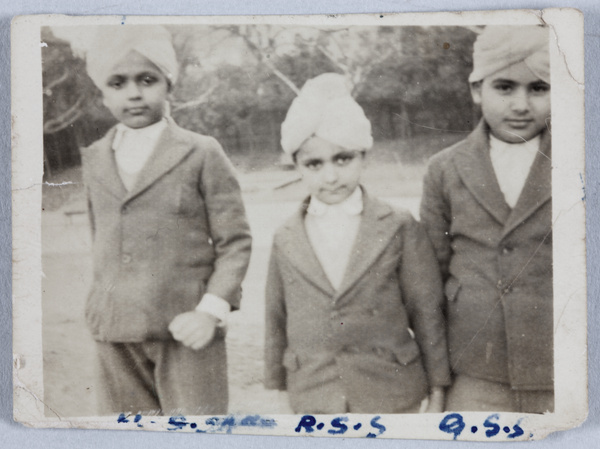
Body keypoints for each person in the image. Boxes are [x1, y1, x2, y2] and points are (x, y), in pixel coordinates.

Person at [80, 25, 252, 415]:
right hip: (115, 332)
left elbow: (235, 242)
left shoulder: (201, 152)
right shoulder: (95, 158)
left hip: (186, 330)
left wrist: (210, 311)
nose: (135, 92)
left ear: (168, 84)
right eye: (118, 82)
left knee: (196, 431)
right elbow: (102, 240)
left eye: (147, 79)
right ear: (103, 94)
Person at [264, 73, 450, 414]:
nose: (331, 176)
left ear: (364, 156)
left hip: (392, 392)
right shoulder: (285, 236)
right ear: (297, 167)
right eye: (314, 164)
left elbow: (427, 312)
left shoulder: (398, 224)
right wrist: (278, 390)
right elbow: (276, 320)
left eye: (343, 159)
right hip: (314, 395)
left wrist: (437, 389)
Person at [419, 25, 553, 413]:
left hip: (560, 369)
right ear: (477, 90)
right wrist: (439, 381)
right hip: (476, 371)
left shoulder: (580, 161)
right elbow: (430, 283)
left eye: (539, 88)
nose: (521, 105)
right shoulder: (444, 169)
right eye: (505, 87)